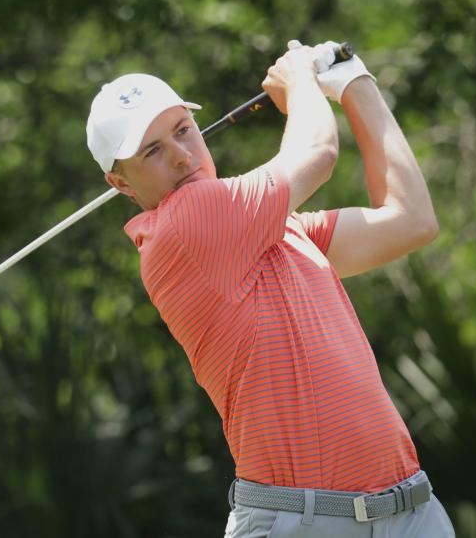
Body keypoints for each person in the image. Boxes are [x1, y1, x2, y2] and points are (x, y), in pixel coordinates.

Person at [86, 40, 455, 537]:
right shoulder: (182, 224)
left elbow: (410, 221)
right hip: (303, 521)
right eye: (152, 151)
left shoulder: (282, 228)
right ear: (122, 184)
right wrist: (301, 76)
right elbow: (318, 153)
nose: (180, 156)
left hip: (412, 510)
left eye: (183, 131)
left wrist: (354, 83)